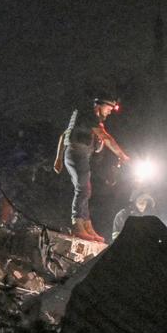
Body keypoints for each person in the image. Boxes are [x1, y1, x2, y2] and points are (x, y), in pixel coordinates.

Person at [54, 96, 129, 242]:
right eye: (108, 109)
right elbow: (106, 138)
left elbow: (98, 141)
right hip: (75, 153)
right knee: (82, 189)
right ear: (99, 106)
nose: (109, 113)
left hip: (82, 156)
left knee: (86, 190)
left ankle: (87, 224)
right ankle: (77, 223)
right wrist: (122, 154)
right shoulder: (87, 116)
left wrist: (58, 159)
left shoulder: (94, 123)